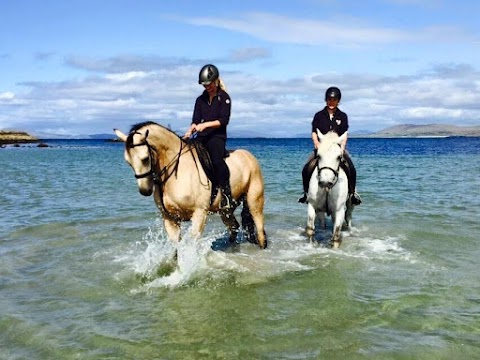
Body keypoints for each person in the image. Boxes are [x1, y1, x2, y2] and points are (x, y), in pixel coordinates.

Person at [298, 86, 362, 205]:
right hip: (322, 148)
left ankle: (352, 194)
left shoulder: (343, 116)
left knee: (351, 168)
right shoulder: (319, 115)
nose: (331, 102)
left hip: (337, 149)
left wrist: (343, 146)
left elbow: (344, 133)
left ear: (338, 101)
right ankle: (306, 194)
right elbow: (313, 132)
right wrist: (316, 143)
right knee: (306, 167)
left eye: (334, 99)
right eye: (329, 99)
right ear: (326, 100)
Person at [183, 64, 233, 209]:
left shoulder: (224, 98)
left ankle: (226, 194)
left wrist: (205, 125)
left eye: (209, 84)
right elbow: (196, 120)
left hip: (217, 136)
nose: (207, 87)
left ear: (216, 81)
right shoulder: (200, 100)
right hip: (202, 136)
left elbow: (224, 121)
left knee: (216, 160)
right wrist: (191, 129)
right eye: (204, 85)